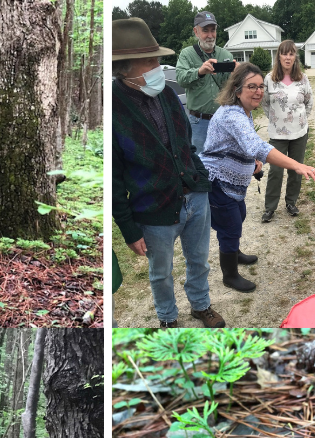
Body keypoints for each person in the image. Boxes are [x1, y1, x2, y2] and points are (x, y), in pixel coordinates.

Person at [111, 17, 226, 328]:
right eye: (148, 61)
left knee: (199, 261)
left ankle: (201, 306)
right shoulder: (113, 109)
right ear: (124, 67)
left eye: (157, 59)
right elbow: (113, 179)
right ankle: (167, 319)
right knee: (161, 273)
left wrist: (201, 183)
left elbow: (187, 145)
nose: (157, 66)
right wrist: (128, 229)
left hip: (194, 198)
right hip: (154, 210)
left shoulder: (166, 95)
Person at [203, 62, 315, 293]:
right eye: (251, 87)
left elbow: (243, 145)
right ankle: (229, 275)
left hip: (232, 181)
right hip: (217, 180)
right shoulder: (232, 115)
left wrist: (254, 163)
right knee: (230, 225)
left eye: (260, 87)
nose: (258, 91)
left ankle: (234, 253)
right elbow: (256, 145)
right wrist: (296, 165)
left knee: (239, 215)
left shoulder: (243, 112)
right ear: (237, 89)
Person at [261, 40, 315, 222]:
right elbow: (265, 103)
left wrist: (300, 119)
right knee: (275, 171)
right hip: (277, 134)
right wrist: (277, 119)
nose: (288, 57)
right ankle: (270, 208)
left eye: (291, 54)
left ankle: (291, 202)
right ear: (279, 56)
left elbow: (309, 102)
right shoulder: (269, 79)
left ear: (295, 57)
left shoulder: (303, 79)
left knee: (296, 169)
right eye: (284, 54)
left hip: (299, 133)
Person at [175, 10, 234, 155]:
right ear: (196, 31)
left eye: (213, 30)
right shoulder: (187, 54)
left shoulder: (225, 54)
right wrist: (199, 72)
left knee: (223, 161)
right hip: (198, 122)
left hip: (223, 120)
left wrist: (237, 75)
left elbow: (232, 88)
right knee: (199, 162)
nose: (210, 35)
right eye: (205, 30)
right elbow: (181, 79)